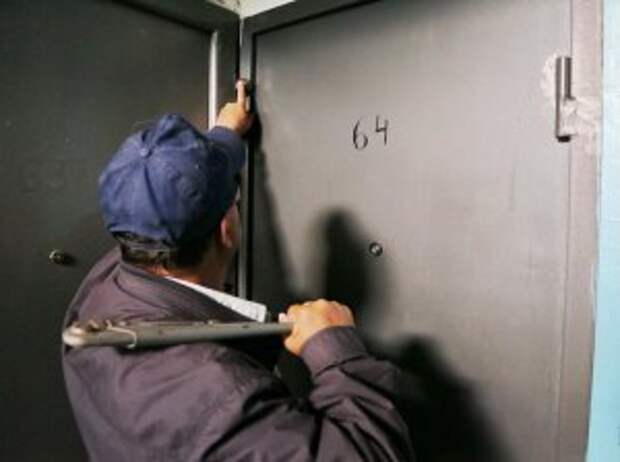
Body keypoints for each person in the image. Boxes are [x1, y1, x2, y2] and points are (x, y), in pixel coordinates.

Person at [62, 81, 414, 461]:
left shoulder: (102, 286)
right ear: (227, 228)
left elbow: (165, 195)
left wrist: (225, 135)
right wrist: (339, 356)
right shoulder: (217, 401)